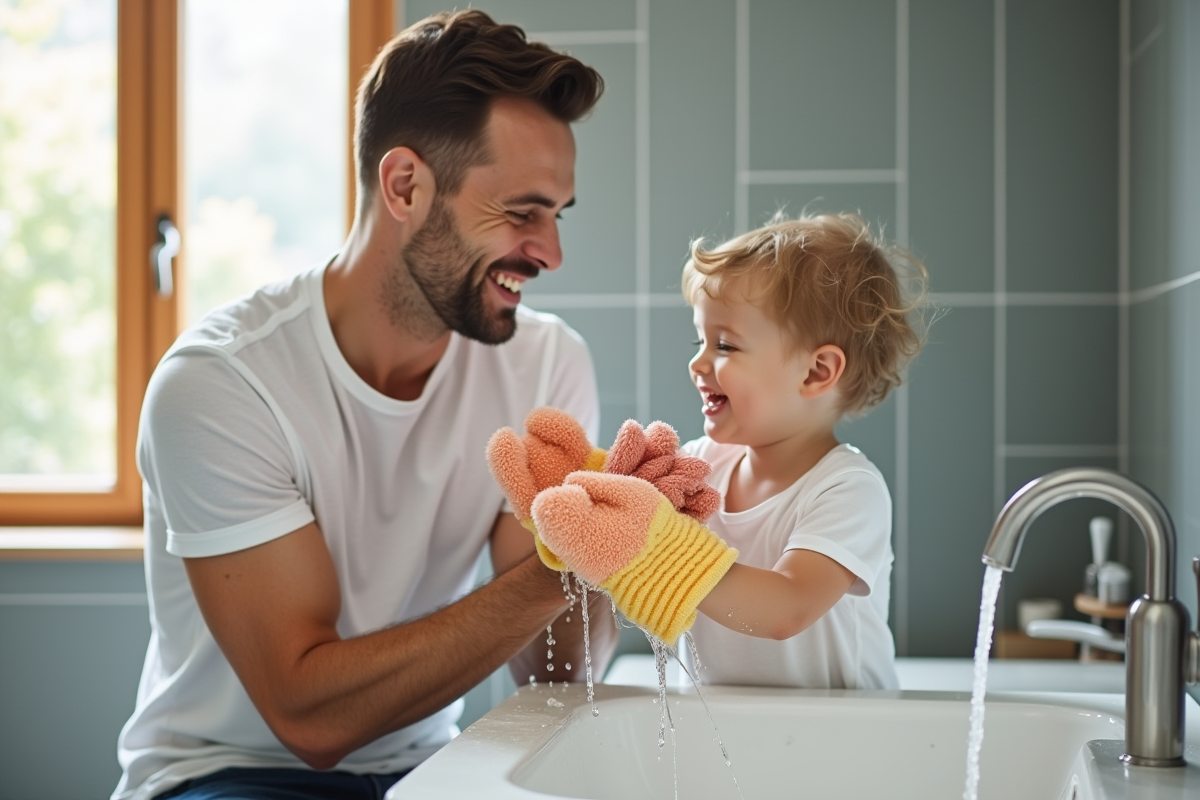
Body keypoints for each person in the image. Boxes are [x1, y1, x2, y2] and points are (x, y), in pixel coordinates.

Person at [113, 11, 617, 800]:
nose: (551, 253)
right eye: (523, 213)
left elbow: (558, 673)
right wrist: (574, 561)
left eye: (558, 214)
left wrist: (603, 549)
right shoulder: (221, 385)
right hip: (227, 773)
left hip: (428, 764)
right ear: (405, 185)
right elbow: (309, 717)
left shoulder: (546, 364)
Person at [527, 212, 926, 690]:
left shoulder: (848, 490)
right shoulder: (702, 464)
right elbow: (631, 518)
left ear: (817, 372)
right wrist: (590, 497)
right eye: (700, 340)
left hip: (838, 729)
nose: (697, 362)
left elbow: (786, 608)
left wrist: (659, 546)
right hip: (721, 726)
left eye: (726, 346)